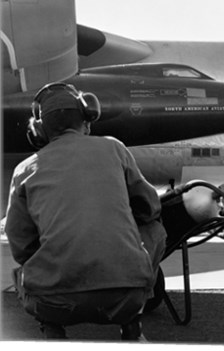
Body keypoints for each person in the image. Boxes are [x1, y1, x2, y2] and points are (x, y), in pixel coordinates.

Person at [5, 82, 167, 340]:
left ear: (39, 131)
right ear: (87, 118)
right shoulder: (115, 148)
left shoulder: (24, 170)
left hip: (54, 301)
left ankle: (53, 331)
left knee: (22, 273)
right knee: (155, 229)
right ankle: (132, 324)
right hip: (126, 297)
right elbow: (150, 208)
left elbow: (21, 246)